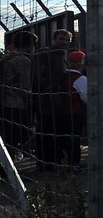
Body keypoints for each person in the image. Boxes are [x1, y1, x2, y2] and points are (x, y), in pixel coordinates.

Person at [32, 29, 73, 168]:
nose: (65, 42)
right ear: (54, 38)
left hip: (57, 99)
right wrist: (46, 90)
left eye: (67, 40)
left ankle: (54, 160)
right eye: (62, 39)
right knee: (46, 129)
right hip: (46, 99)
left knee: (56, 130)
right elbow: (37, 76)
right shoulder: (45, 54)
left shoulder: (61, 56)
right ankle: (46, 162)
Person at [0, 31, 37, 154]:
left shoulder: (5, 58)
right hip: (16, 103)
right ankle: (9, 168)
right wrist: (30, 101)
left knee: (6, 138)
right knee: (15, 138)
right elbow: (24, 86)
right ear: (29, 45)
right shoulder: (23, 60)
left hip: (3, 102)